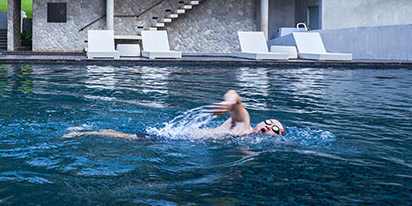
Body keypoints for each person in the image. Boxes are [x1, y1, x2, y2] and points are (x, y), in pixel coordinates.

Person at [63, 89, 286, 140]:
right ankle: (84, 133)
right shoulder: (243, 125)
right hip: (175, 139)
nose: (268, 126)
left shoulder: (250, 143)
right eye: (268, 122)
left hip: (179, 141)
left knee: (130, 138)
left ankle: (86, 132)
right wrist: (228, 102)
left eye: (275, 129)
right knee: (129, 138)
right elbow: (236, 97)